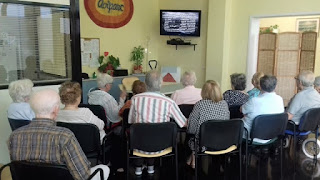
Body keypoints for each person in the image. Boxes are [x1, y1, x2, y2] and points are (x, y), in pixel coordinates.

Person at [7, 89, 110, 180]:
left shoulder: (14, 136)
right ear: (56, 110)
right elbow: (82, 175)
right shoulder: (64, 136)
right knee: (104, 169)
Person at [128, 70, 187, 176]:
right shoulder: (169, 102)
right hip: (162, 146)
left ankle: (138, 169)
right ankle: (151, 167)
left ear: (145, 84)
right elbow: (183, 123)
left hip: (139, 145)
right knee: (154, 136)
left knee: (141, 134)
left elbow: (130, 122)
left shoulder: (135, 99)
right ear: (161, 84)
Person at [187, 80, 230, 168]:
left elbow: (191, 128)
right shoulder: (224, 104)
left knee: (192, 138)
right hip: (223, 141)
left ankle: (193, 158)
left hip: (203, 143)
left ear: (204, 92)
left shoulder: (199, 105)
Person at [242, 75, 284, 143]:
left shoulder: (254, 101)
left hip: (251, 137)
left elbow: (242, 110)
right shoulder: (280, 99)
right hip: (272, 136)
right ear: (275, 86)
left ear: (260, 86)